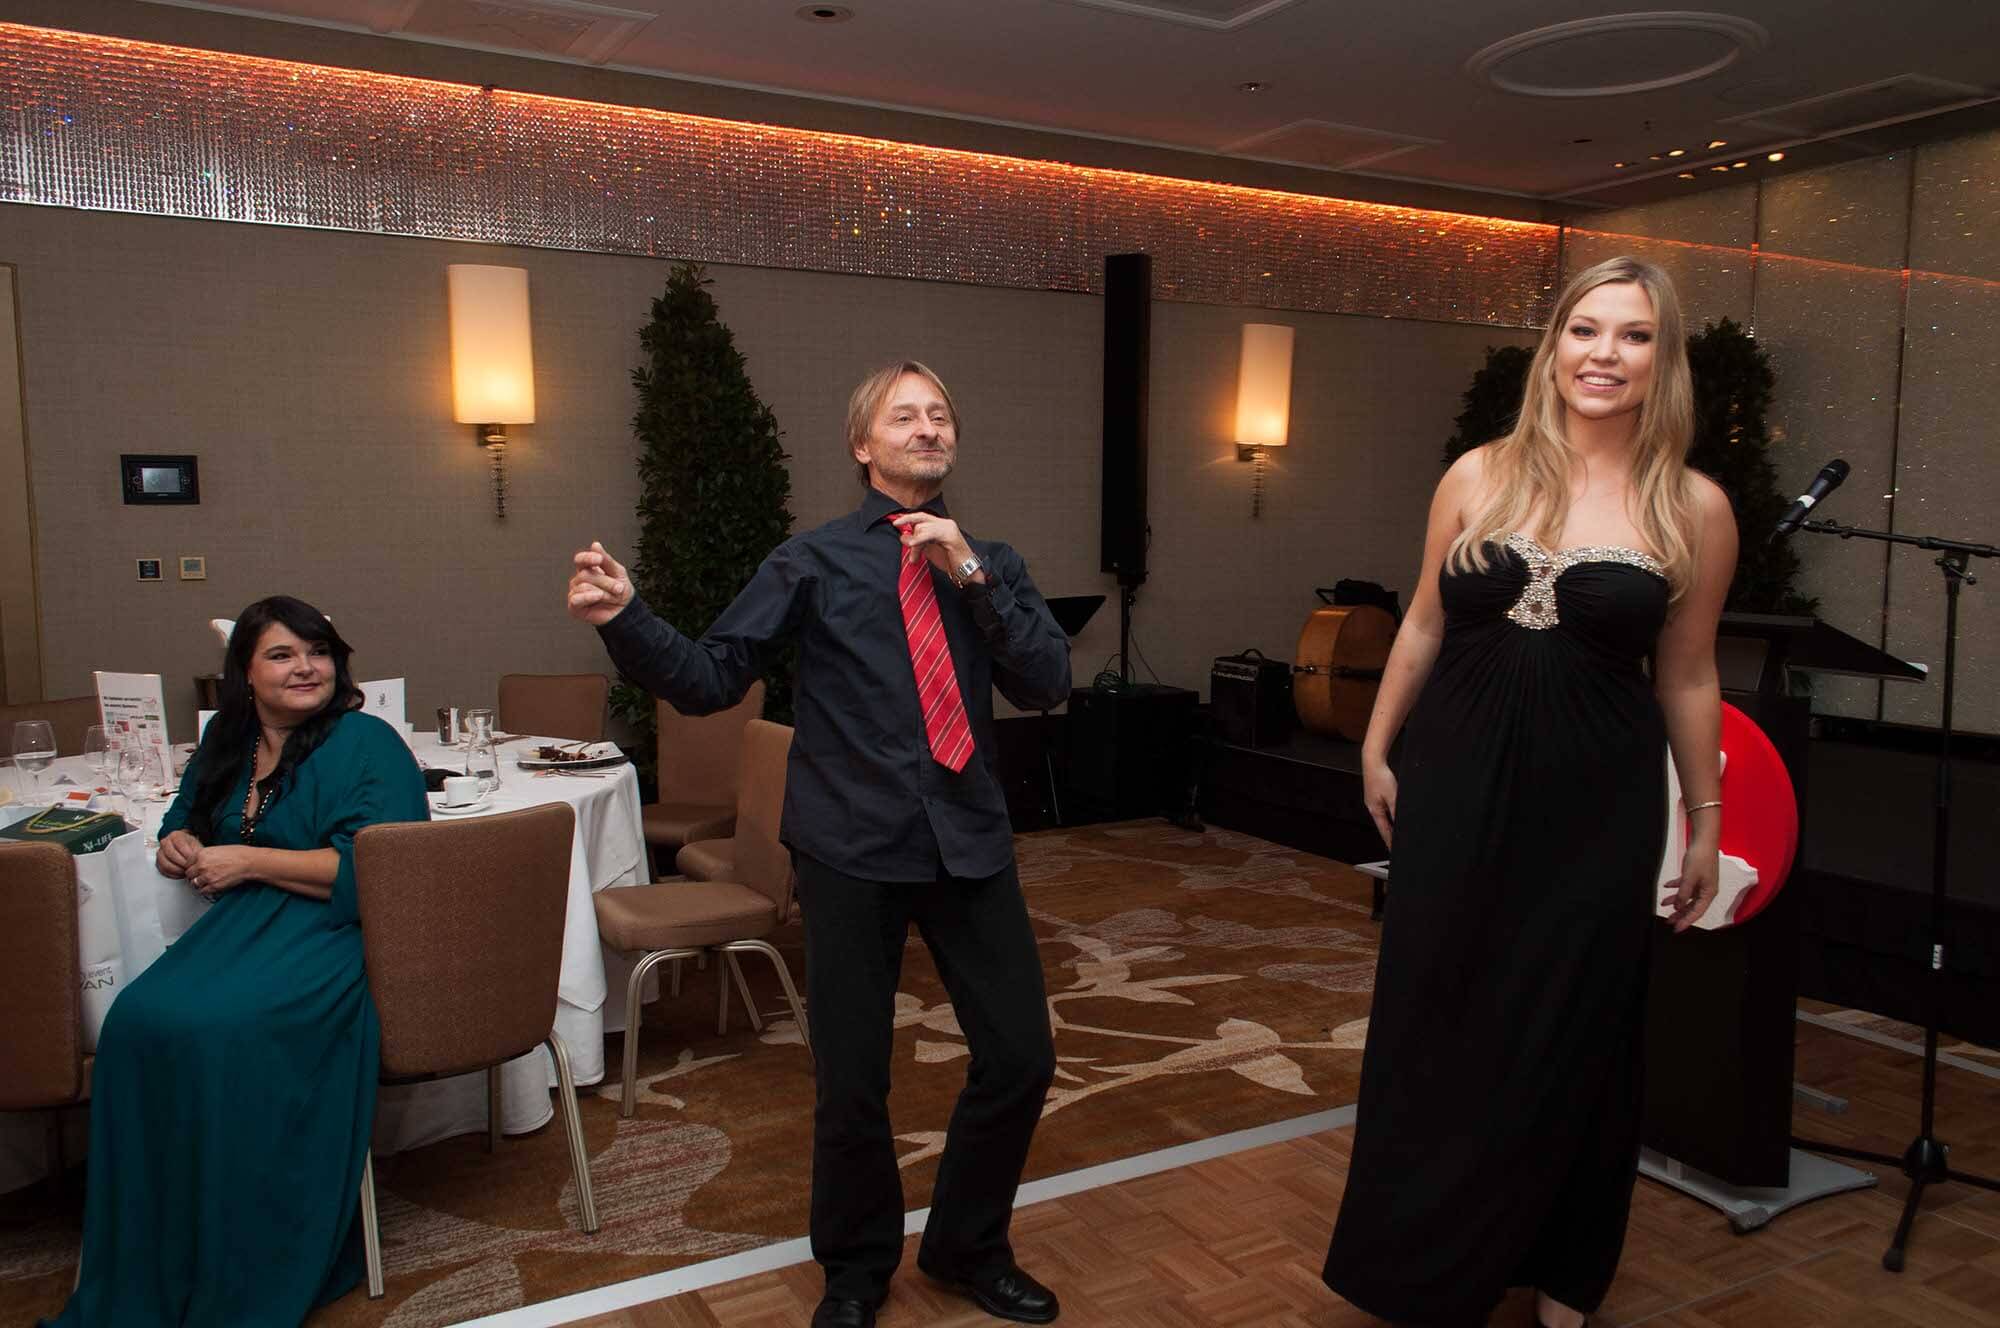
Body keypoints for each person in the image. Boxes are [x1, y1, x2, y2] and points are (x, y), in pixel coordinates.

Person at [568, 360, 1070, 1328]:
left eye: (940, 414)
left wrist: (966, 573)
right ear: (861, 445)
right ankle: (854, 1269)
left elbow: (1045, 679)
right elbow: (712, 677)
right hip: (850, 848)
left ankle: (966, 1245)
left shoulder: (991, 563)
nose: (927, 427)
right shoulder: (812, 561)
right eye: (904, 415)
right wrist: (627, 619)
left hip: (967, 843)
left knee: (1020, 1055)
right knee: (852, 1078)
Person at [1321, 257, 1737, 1328]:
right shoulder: (1476, 475)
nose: (1604, 353)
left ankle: (1563, 1269)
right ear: (1553, 346)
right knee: (1436, 1019)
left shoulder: (1693, 506)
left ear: (1661, 360)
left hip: (1595, 808)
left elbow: (1688, 674)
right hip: (1456, 786)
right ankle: (1425, 1270)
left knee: (1574, 1031)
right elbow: (1422, 621)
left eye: (1634, 335)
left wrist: (1703, 821)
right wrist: (1376, 745)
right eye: (1585, 329)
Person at [44, 596, 429, 1327]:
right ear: (244, 672)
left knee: (220, 1031)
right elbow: (184, 814)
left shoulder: (366, 742)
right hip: (242, 929)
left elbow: (383, 869)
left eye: (318, 652)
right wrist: (178, 843)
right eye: (282, 655)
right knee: (135, 1020)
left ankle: (244, 1252)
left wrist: (249, 861)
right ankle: (163, 1241)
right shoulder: (230, 735)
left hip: (333, 932)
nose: (306, 667)